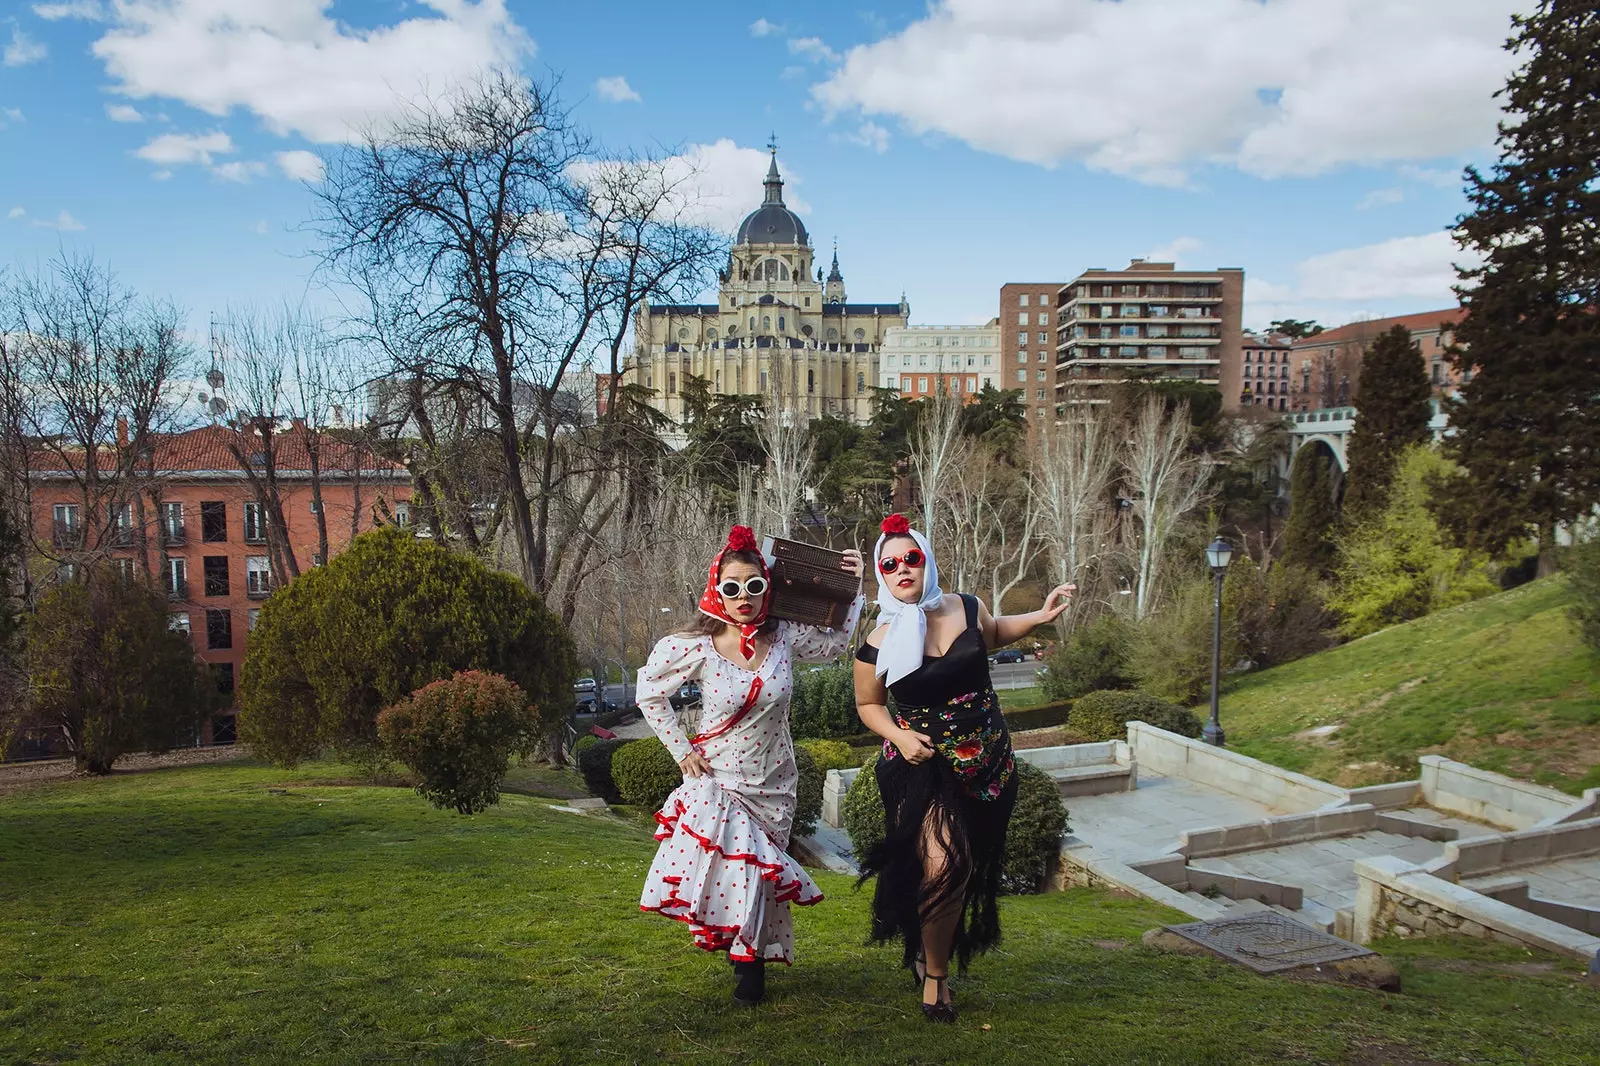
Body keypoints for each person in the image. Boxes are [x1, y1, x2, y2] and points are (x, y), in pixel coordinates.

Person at [852, 513, 1074, 1023]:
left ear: (926, 559)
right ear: (881, 575)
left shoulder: (967, 607)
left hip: (989, 763)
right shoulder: (878, 641)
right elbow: (869, 707)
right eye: (890, 564)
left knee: (963, 868)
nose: (902, 568)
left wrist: (1036, 619)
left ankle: (924, 945)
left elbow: (994, 633)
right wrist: (900, 736)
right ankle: (936, 975)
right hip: (922, 767)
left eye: (912, 557)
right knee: (943, 866)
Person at [637, 525, 864, 1007]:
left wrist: (854, 587)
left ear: (768, 589)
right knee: (739, 872)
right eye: (732, 588)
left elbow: (834, 645)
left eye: (754, 586)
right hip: (720, 779)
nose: (744, 598)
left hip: (777, 780)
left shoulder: (785, 639)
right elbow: (649, 691)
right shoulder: (694, 646)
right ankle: (747, 964)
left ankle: (747, 948)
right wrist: (682, 750)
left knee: (762, 877)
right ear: (716, 590)